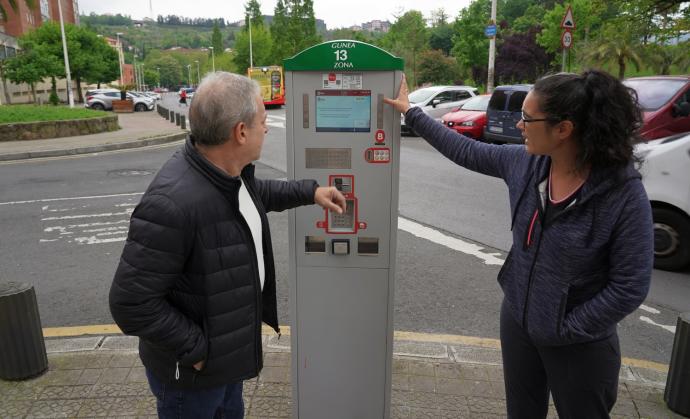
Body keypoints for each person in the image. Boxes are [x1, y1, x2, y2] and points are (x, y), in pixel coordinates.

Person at [384, 70, 653, 419]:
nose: (519, 125)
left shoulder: (622, 193)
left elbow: (630, 286)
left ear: (563, 129)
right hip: (518, 323)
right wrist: (411, 111)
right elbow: (464, 149)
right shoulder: (526, 164)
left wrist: (565, 328)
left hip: (580, 346)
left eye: (527, 118)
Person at [109, 72, 346, 418]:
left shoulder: (226, 174)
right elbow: (130, 302)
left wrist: (310, 191)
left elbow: (255, 196)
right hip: (191, 377)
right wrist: (197, 349)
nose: (266, 128)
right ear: (240, 132)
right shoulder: (173, 203)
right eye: (263, 121)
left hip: (225, 361)